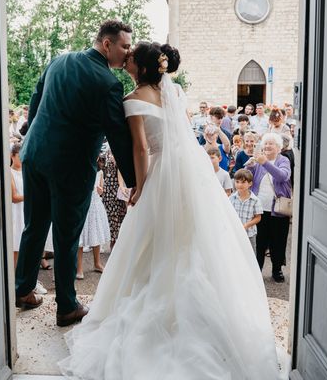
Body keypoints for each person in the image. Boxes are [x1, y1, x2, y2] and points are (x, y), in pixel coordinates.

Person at [59, 42, 286, 379]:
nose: (127, 59)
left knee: (155, 241)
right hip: (190, 172)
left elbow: (140, 148)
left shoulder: (132, 100)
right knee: (191, 240)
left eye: (131, 57)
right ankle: (205, 316)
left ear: (142, 66)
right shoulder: (174, 92)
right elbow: (177, 136)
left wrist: (140, 186)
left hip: (163, 171)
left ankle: (163, 309)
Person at [15, 20, 136, 328]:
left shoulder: (60, 59)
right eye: (124, 46)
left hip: (34, 154)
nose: (128, 52)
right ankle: (67, 306)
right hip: (69, 166)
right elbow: (118, 135)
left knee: (35, 225)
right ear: (107, 44)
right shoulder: (108, 82)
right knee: (67, 236)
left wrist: (30, 135)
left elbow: (36, 97)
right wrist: (135, 181)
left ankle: (23, 290)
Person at [246, 132, 292, 283]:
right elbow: (250, 179)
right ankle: (256, 269)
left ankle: (277, 269)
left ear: (278, 147)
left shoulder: (283, 160)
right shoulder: (259, 160)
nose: (267, 146)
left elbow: (283, 176)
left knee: (278, 241)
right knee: (260, 241)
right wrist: (251, 167)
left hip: (278, 211)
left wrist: (265, 162)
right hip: (260, 209)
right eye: (265, 143)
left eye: (271, 143)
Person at [10, 143, 47, 295]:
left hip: (28, 209)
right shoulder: (9, 173)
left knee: (30, 245)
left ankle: (30, 281)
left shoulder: (27, 170)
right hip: (17, 212)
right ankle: (16, 282)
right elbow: (13, 197)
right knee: (17, 248)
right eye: (19, 155)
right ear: (12, 156)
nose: (22, 158)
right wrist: (31, 195)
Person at [76, 156, 110, 279]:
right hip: (83, 203)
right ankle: (79, 269)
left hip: (95, 204)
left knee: (96, 234)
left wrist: (100, 190)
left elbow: (101, 190)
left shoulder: (100, 172)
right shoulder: (81, 167)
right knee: (81, 236)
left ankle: (97, 263)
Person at [229, 169, 263, 254]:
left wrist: (246, 225)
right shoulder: (231, 198)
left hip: (249, 234)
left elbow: (258, 218)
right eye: (237, 182)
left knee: (250, 255)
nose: (239, 185)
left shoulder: (255, 200)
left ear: (250, 184)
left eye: (243, 182)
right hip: (234, 233)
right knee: (235, 254)